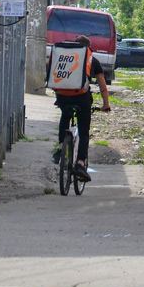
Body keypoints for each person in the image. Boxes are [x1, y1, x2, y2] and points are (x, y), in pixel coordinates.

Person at [49, 35, 111, 181]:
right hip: (82, 99)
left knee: (65, 116)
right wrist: (106, 104)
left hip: (63, 96)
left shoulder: (64, 56)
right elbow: (102, 85)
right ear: (88, 48)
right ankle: (80, 164)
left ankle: (59, 149)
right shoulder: (92, 60)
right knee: (83, 131)